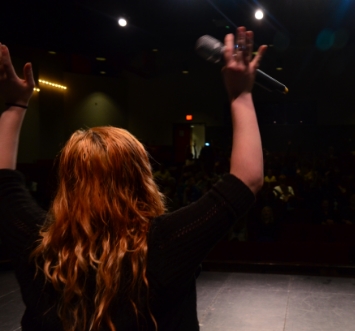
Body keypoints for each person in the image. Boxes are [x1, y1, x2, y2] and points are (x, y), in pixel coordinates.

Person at [0, 26, 265, 331]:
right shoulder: (165, 244)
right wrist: (241, 95)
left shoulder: (37, 244)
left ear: (67, 182)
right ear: (141, 177)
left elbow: (4, 184)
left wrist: (14, 106)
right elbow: (247, 180)